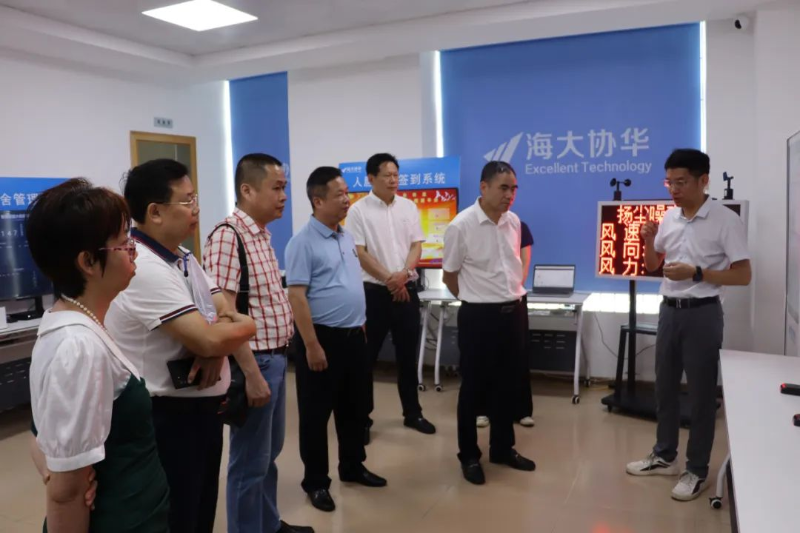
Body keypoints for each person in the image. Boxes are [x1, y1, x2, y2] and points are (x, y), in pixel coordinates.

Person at [106, 159, 256, 533]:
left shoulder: (183, 257)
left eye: (195, 198)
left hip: (199, 411)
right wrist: (242, 329)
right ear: (155, 212)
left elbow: (222, 310)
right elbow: (213, 332)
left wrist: (215, 347)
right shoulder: (144, 267)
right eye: (187, 201)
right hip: (168, 417)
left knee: (200, 511)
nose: (196, 209)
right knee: (179, 517)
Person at [26, 178, 170, 532]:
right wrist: (63, 479)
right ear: (88, 261)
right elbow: (66, 496)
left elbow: (41, 433)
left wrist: (58, 472)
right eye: (123, 242)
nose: (134, 249)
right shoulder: (78, 347)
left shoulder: (77, 322)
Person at [626, 149, 751, 501]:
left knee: (700, 396)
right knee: (664, 388)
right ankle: (664, 456)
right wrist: (648, 241)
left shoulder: (725, 220)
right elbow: (653, 265)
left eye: (681, 182)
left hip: (703, 314)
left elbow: (743, 275)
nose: (674, 189)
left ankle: (696, 469)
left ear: (703, 180)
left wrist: (696, 272)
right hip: (669, 311)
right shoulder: (669, 217)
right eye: (669, 182)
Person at [203, 153, 313, 533]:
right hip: (256, 362)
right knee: (249, 462)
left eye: (285, 188)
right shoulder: (228, 236)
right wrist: (251, 373)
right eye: (277, 188)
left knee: (268, 456)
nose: (284, 196)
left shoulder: (260, 235)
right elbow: (224, 315)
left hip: (275, 360)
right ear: (247, 190)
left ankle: (268, 524)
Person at [286, 166, 387, 513]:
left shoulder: (345, 237)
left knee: (355, 408)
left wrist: (360, 322)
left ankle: (352, 466)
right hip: (321, 339)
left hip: (354, 337)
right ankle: (316, 482)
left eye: (347, 193)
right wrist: (311, 345)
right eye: (339, 195)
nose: (347, 200)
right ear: (318, 201)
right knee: (316, 416)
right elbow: (297, 296)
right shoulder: (302, 242)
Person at [443, 161, 536, 485]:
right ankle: (469, 455)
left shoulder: (514, 222)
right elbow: (450, 276)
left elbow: (512, 267)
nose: (509, 195)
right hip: (479, 318)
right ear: (483, 187)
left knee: (507, 386)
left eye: (513, 189)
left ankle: (502, 448)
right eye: (503, 188)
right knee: (473, 388)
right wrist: (474, 299)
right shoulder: (461, 225)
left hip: (513, 313)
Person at [346, 153, 436, 444]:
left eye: (396, 175)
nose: (393, 180)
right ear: (371, 178)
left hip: (406, 291)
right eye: (387, 175)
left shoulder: (409, 206)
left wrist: (404, 274)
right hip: (373, 294)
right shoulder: (358, 211)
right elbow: (360, 253)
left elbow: (416, 245)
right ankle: (362, 419)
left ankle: (413, 413)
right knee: (366, 359)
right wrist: (390, 279)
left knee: (408, 356)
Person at [476, 220, 535, 429]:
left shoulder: (518, 226)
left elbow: (525, 261)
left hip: (513, 297)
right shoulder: (473, 225)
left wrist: (515, 287)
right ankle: (482, 410)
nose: (507, 201)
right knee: (484, 355)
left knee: (517, 354)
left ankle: (521, 411)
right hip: (484, 298)